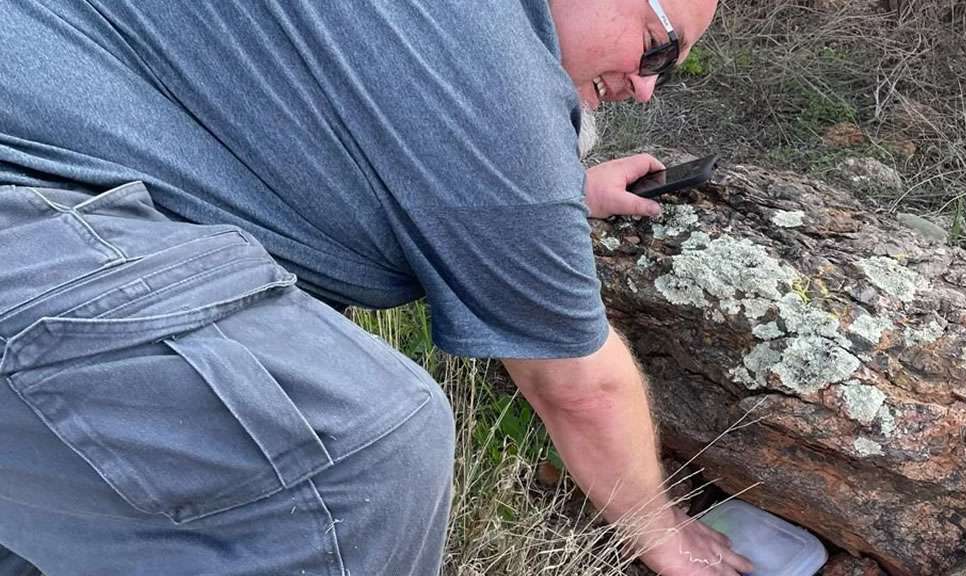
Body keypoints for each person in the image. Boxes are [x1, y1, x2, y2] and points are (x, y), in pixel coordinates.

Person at [0, 1, 753, 575]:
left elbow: (289, 126)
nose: (646, 88)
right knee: (364, 451)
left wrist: (554, 194)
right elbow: (579, 385)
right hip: (29, 219)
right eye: (658, 46)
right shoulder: (494, 72)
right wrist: (665, 534)